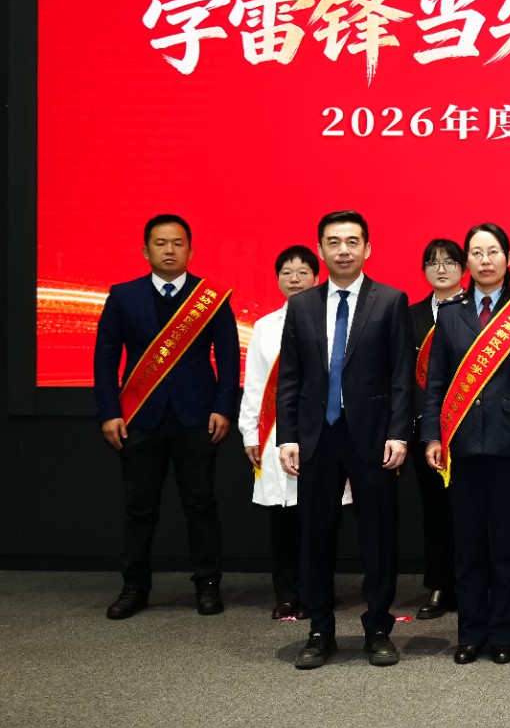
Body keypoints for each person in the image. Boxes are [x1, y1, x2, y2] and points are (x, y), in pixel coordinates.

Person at [278, 210, 413, 670]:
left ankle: (378, 627)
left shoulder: (390, 301)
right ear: (320, 249)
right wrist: (287, 436)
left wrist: (399, 433)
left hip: (373, 439)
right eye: (333, 242)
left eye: (352, 241)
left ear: (367, 248)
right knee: (315, 536)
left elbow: (401, 376)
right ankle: (320, 630)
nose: (343, 250)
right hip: (317, 438)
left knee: (378, 536)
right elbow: (290, 377)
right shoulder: (301, 306)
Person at [95, 214, 238, 619]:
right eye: (161, 243)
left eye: (178, 243)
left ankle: (207, 584)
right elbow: (105, 358)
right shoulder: (123, 295)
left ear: (190, 250)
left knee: (201, 503)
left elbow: (229, 359)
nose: (170, 250)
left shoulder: (210, 297)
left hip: (198, 418)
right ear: (146, 251)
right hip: (139, 418)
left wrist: (222, 407)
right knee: (139, 506)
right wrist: (109, 412)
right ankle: (134, 587)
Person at [422, 223, 510, 665]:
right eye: (476, 252)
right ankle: (470, 633)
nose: (484, 260)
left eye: (492, 251)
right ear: (467, 262)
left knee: (507, 546)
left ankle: (503, 634)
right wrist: (432, 435)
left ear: (508, 258)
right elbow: (436, 383)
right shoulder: (450, 314)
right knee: (468, 545)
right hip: (461, 446)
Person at [239, 245, 349, 621]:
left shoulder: (335, 320)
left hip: (323, 431)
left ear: (317, 277)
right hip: (276, 433)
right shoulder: (265, 326)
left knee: (319, 518)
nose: (295, 279)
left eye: (303, 272)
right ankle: (287, 594)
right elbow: (255, 384)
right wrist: (250, 434)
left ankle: (318, 592)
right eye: (286, 273)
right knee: (282, 519)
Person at [408, 238, 466, 621]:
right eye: (433, 262)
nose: (441, 269)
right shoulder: (409, 316)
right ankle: (440, 585)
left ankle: (472, 582)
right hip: (425, 429)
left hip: (468, 428)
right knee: (435, 510)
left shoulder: (477, 311)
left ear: (463, 268)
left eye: (449, 262)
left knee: (471, 510)